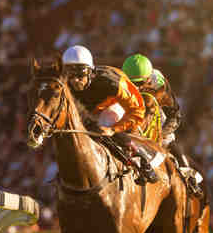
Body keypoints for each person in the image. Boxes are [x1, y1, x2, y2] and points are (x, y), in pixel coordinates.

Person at [61, 45, 157, 184]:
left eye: (80, 74)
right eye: (71, 75)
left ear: (90, 71)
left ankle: (142, 160)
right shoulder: (64, 85)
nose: (75, 80)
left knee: (103, 124)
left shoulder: (111, 82)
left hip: (119, 106)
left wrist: (113, 129)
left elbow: (137, 110)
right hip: (90, 111)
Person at [121, 53, 202, 194]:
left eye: (140, 83)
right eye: (132, 83)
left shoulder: (159, 84)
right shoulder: (120, 81)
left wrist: (162, 134)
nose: (136, 88)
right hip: (130, 115)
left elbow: (175, 115)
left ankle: (189, 179)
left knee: (170, 141)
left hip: (155, 115)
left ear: (149, 78)